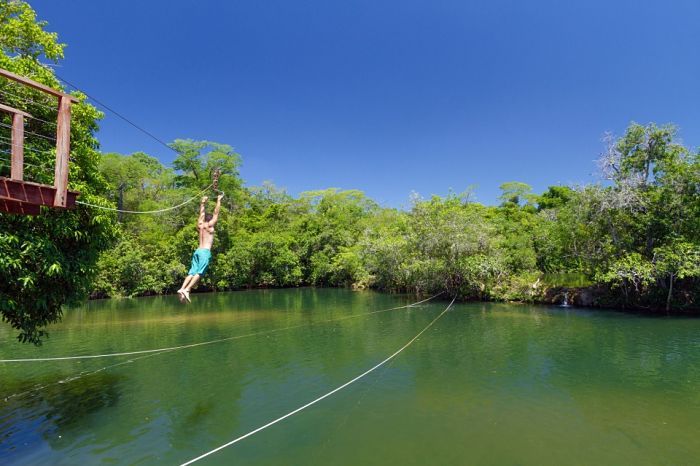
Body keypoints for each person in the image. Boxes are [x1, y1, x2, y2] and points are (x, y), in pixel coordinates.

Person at [178, 193, 223, 302]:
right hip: (204, 252)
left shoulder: (200, 225)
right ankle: (187, 289)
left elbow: (201, 213)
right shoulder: (210, 226)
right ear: (211, 219)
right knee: (200, 273)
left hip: (197, 251)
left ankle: (182, 288)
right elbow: (216, 213)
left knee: (191, 272)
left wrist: (203, 202)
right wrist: (219, 200)